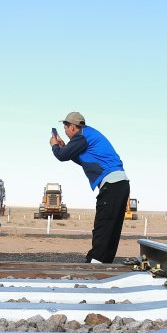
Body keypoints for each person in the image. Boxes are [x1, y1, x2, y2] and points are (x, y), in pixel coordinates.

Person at [50, 111, 130, 264]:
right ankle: (104, 264)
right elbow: (82, 160)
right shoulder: (88, 135)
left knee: (103, 225)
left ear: (72, 127)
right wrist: (64, 147)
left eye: (65, 128)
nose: (65, 132)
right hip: (120, 184)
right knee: (111, 228)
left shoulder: (82, 136)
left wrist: (55, 145)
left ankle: (95, 263)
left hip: (112, 185)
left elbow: (62, 156)